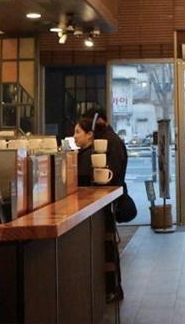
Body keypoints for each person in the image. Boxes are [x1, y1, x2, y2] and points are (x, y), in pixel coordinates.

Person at [78, 107, 128, 303]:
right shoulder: (111, 139)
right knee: (107, 244)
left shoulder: (109, 142)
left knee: (107, 245)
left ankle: (113, 288)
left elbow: (111, 175)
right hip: (108, 201)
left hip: (108, 202)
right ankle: (112, 287)